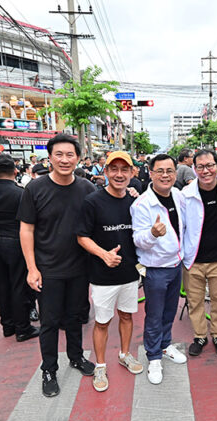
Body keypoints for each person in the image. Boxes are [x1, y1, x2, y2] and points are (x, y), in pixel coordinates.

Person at [18, 133, 96, 398]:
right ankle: (49, 369)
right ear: (49, 157)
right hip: (48, 268)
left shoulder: (86, 188)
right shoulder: (35, 188)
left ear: (78, 157)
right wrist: (32, 267)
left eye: (70, 154)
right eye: (59, 154)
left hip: (79, 267)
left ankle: (76, 357)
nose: (65, 159)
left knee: (75, 317)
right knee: (50, 322)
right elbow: (26, 229)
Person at [77, 151, 144, 392]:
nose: (119, 174)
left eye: (124, 169)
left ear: (131, 173)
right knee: (103, 322)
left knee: (127, 316)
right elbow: (82, 236)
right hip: (102, 276)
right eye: (113, 169)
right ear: (104, 172)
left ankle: (125, 354)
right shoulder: (92, 202)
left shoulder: (136, 202)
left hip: (129, 273)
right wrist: (104, 254)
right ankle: (101, 365)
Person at [131, 153, 188, 385]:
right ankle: (153, 356)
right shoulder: (142, 204)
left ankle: (165, 345)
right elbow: (137, 239)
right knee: (154, 314)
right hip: (155, 269)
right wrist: (153, 234)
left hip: (176, 265)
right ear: (151, 173)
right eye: (160, 171)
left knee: (169, 311)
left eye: (170, 171)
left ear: (176, 173)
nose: (165, 175)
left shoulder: (177, 195)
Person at [0, 154, 40, 342]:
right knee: (19, 285)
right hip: (17, 241)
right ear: (15, 170)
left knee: (2, 284)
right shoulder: (21, 193)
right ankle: (22, 327)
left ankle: (8, 325)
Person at [182, 149, 217, 357]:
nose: (206, 171)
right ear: (194, 169)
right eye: (201, 167)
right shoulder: (186, 194)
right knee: (195, 302)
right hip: (193, 259)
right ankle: (200, 336)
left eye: (210, 165)